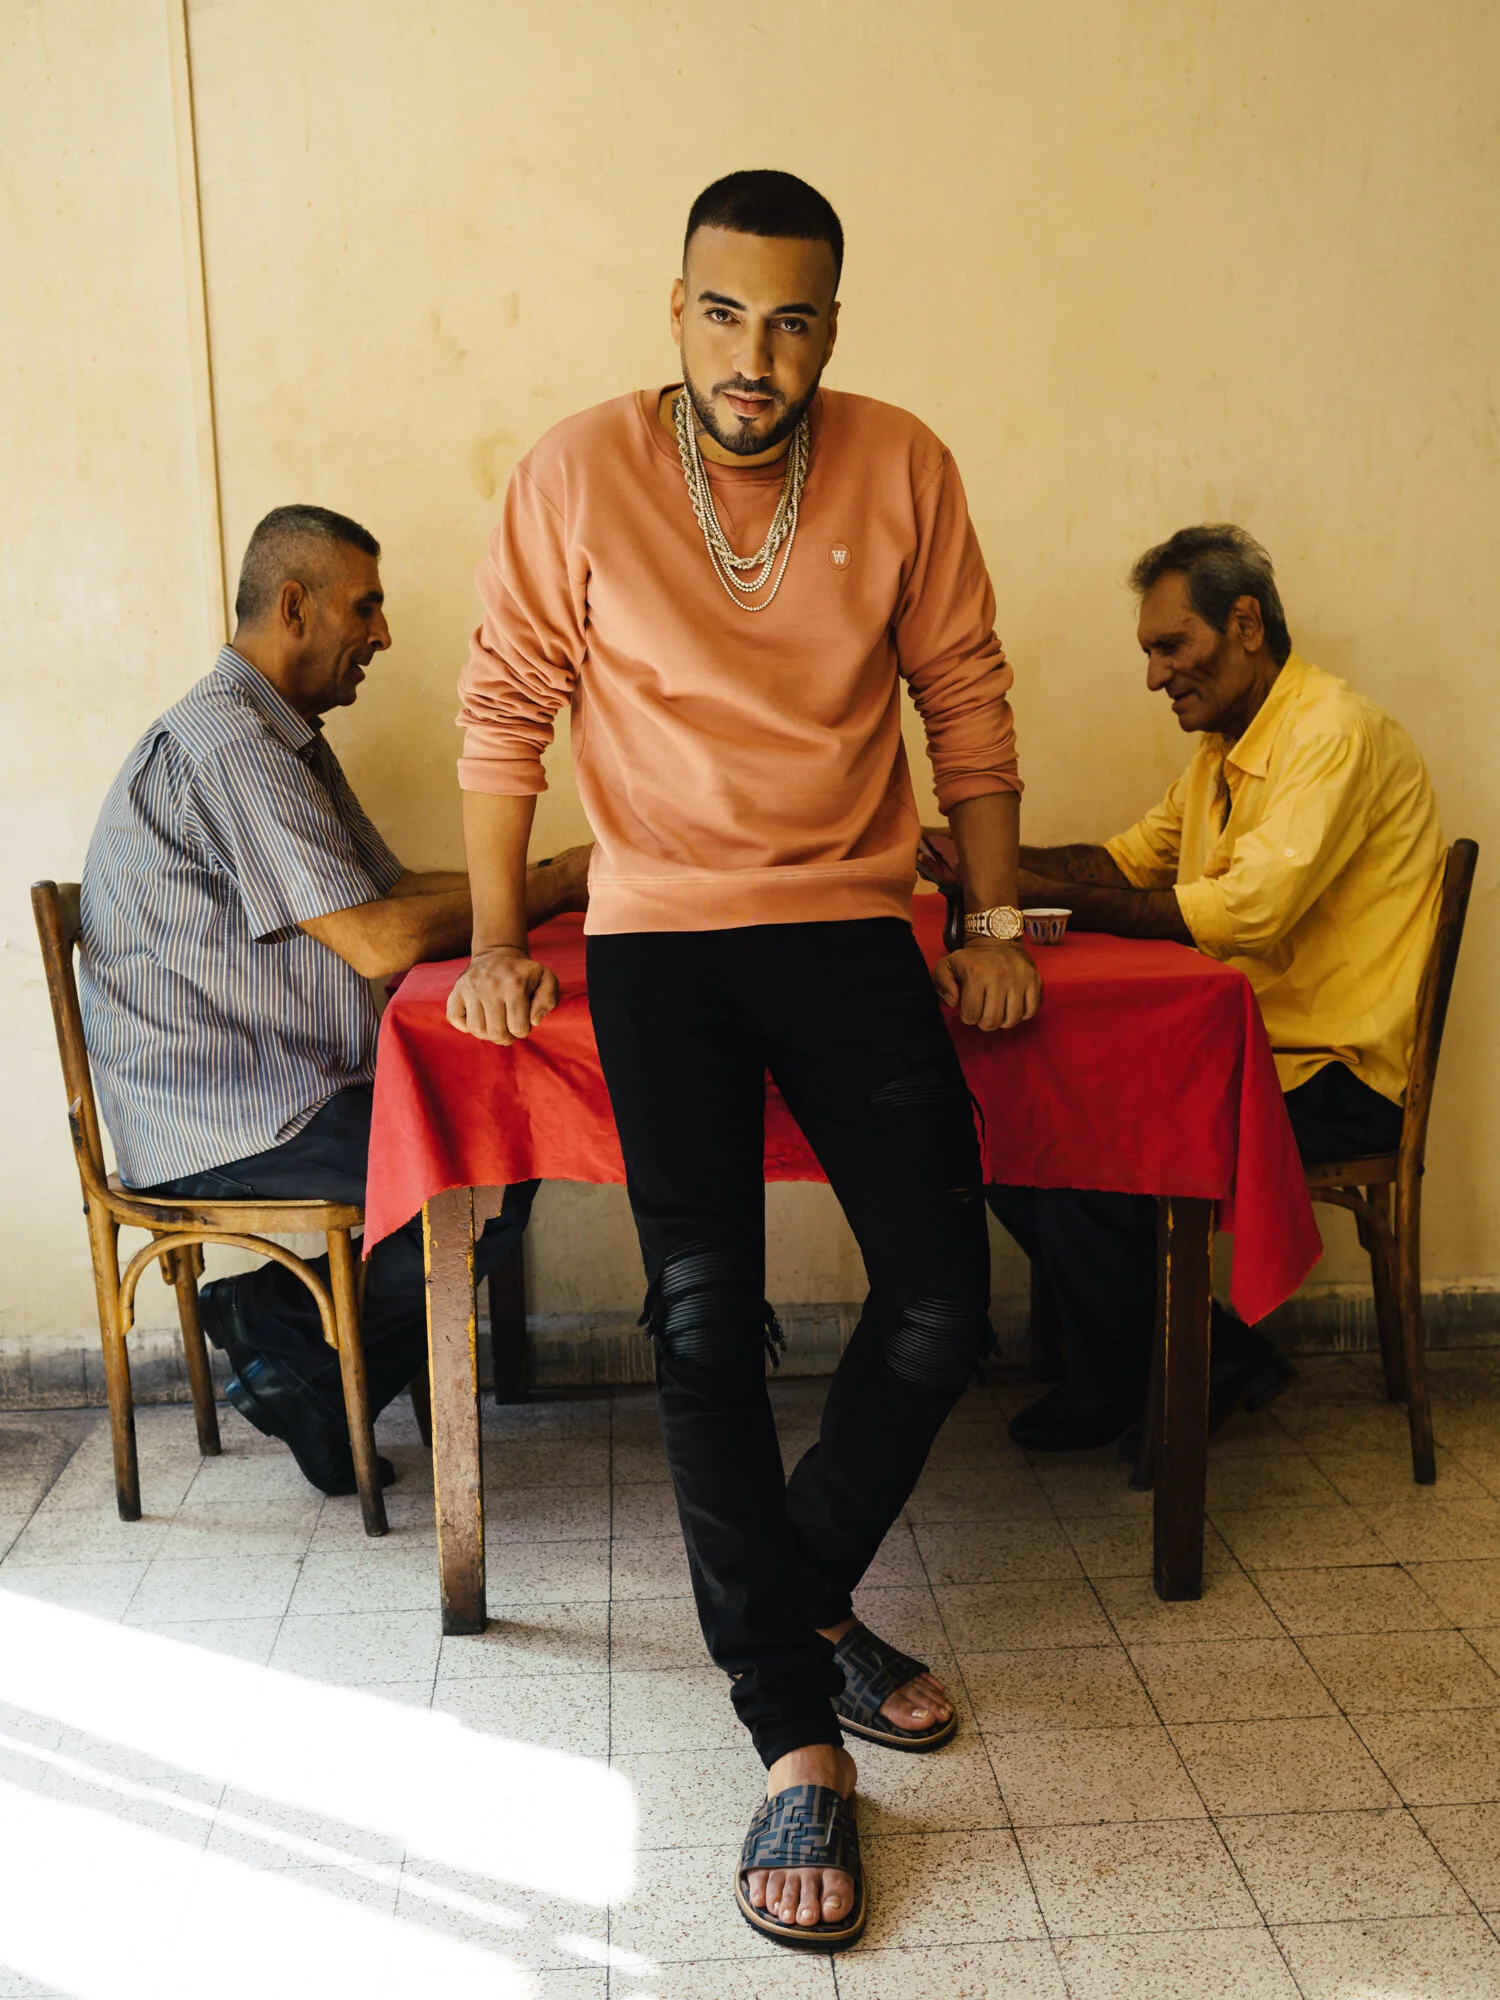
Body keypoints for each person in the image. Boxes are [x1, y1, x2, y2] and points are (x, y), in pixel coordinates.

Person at [447, 170, 1039, 1949]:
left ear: (833, 328)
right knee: (703, 1320)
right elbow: (506, 708)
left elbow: (966, 697)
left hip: (853, 924)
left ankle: (797, 1598)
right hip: (658, 943)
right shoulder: (575, 471)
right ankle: (794, 1730)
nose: (753, 357)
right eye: (723, 314)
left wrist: (993, 922)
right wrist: (497, 943)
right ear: (677, 309)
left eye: (791, 321)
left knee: (943, 1303)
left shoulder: (904, 462)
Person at [80, 505, 589, 1495]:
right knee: (480, 1168)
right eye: (367, 607)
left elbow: (391, 893)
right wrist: (558, 882)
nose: (383, 634)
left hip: (269, 1089)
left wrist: (529, 879)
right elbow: (379, 941)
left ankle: (301, 1362)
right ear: (294, 606)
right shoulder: (230, 745)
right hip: (224, 1116)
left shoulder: (283, 739)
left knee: (489, 1141)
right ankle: (283, 1328)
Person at [987, 523, 1444, 1452]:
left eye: (1171, 646)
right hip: (1252, 1058)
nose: (1155, 676)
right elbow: (1119, 864)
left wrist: (1026, 891)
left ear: (1245, 624)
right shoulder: (1220, 756)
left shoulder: (1331, 733)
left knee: (1084, 1153)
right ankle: (1198, 1356)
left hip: (1339, 1076)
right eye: (1150, 653)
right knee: (1017, 1125)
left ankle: (1146, 1374)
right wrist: (983, 862)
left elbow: (1247, 913)